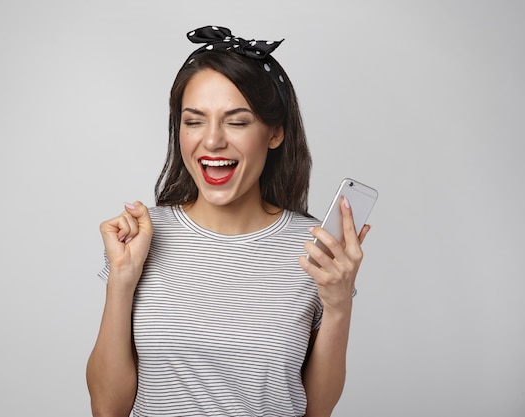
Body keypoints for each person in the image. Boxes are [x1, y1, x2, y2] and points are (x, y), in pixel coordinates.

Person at [86, 25, 371, 417]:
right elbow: (106, 409)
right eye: (194, 121)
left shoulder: (315, 251)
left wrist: (338, 307)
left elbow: (316, 411)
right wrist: (122, 279)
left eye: (237, 122)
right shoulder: (140, 238)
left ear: (275, 133)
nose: (213, 140)